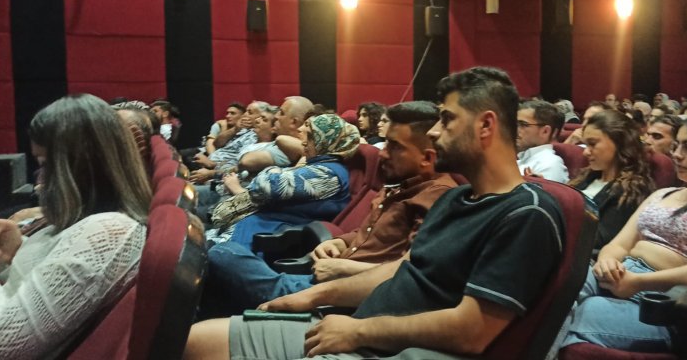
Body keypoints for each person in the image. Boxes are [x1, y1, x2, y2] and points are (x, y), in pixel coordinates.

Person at [184, 66, 564, 360]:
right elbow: (400, 269)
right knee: (195, 340)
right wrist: (314, 296)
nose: (434, 133)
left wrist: (358, 332)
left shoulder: (526, 213)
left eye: (447, 119)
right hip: (360, 326)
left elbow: (472, 330)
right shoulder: (458, 199)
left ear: (486, 125)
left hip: (391, 348)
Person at [200, 101, 457, 316]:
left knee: (221, 254)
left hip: (343, 299)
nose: (382, 153)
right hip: (327, 279)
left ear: (427, 158)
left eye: (394, 146)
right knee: (215, 275)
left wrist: (342, 268)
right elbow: (371, 233)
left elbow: (412, 274)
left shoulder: (437, 197)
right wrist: (341, 242)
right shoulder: (398, 185)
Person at [0, 94, 151, 359]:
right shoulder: (96, 223)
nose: (40, 183)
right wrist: (17, 252)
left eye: (44, 165)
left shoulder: (108, 233)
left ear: (79, 166)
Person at [559, 112, 687, 353]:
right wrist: (607, 261)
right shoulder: (662, 194)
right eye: (676, 145)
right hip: (620, 276)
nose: (677, 154)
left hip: (664, 302)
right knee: (555, 290)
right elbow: (619, 244)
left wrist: (639, 282)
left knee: (581, 314)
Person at [209, 113, 359, 248]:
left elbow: (266, 185)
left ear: (326, 142)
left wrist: (273, 170)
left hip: (264, 235)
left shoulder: (328, 174)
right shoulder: (321, 166)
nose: (303, 143)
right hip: (252, 227)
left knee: (212, 254)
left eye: (311, 137)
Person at [569, 110, 655, 253]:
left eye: (592, 144)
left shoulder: (632, 189)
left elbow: (599, 239)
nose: (585, 152)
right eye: (585, 145)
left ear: (619, 142)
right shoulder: (587, 176)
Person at [516, 100, 568, 183]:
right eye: (515, 124)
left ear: (545, 131)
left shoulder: (550, 164)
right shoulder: (519, 160)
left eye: (523, 125)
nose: (515, 130)